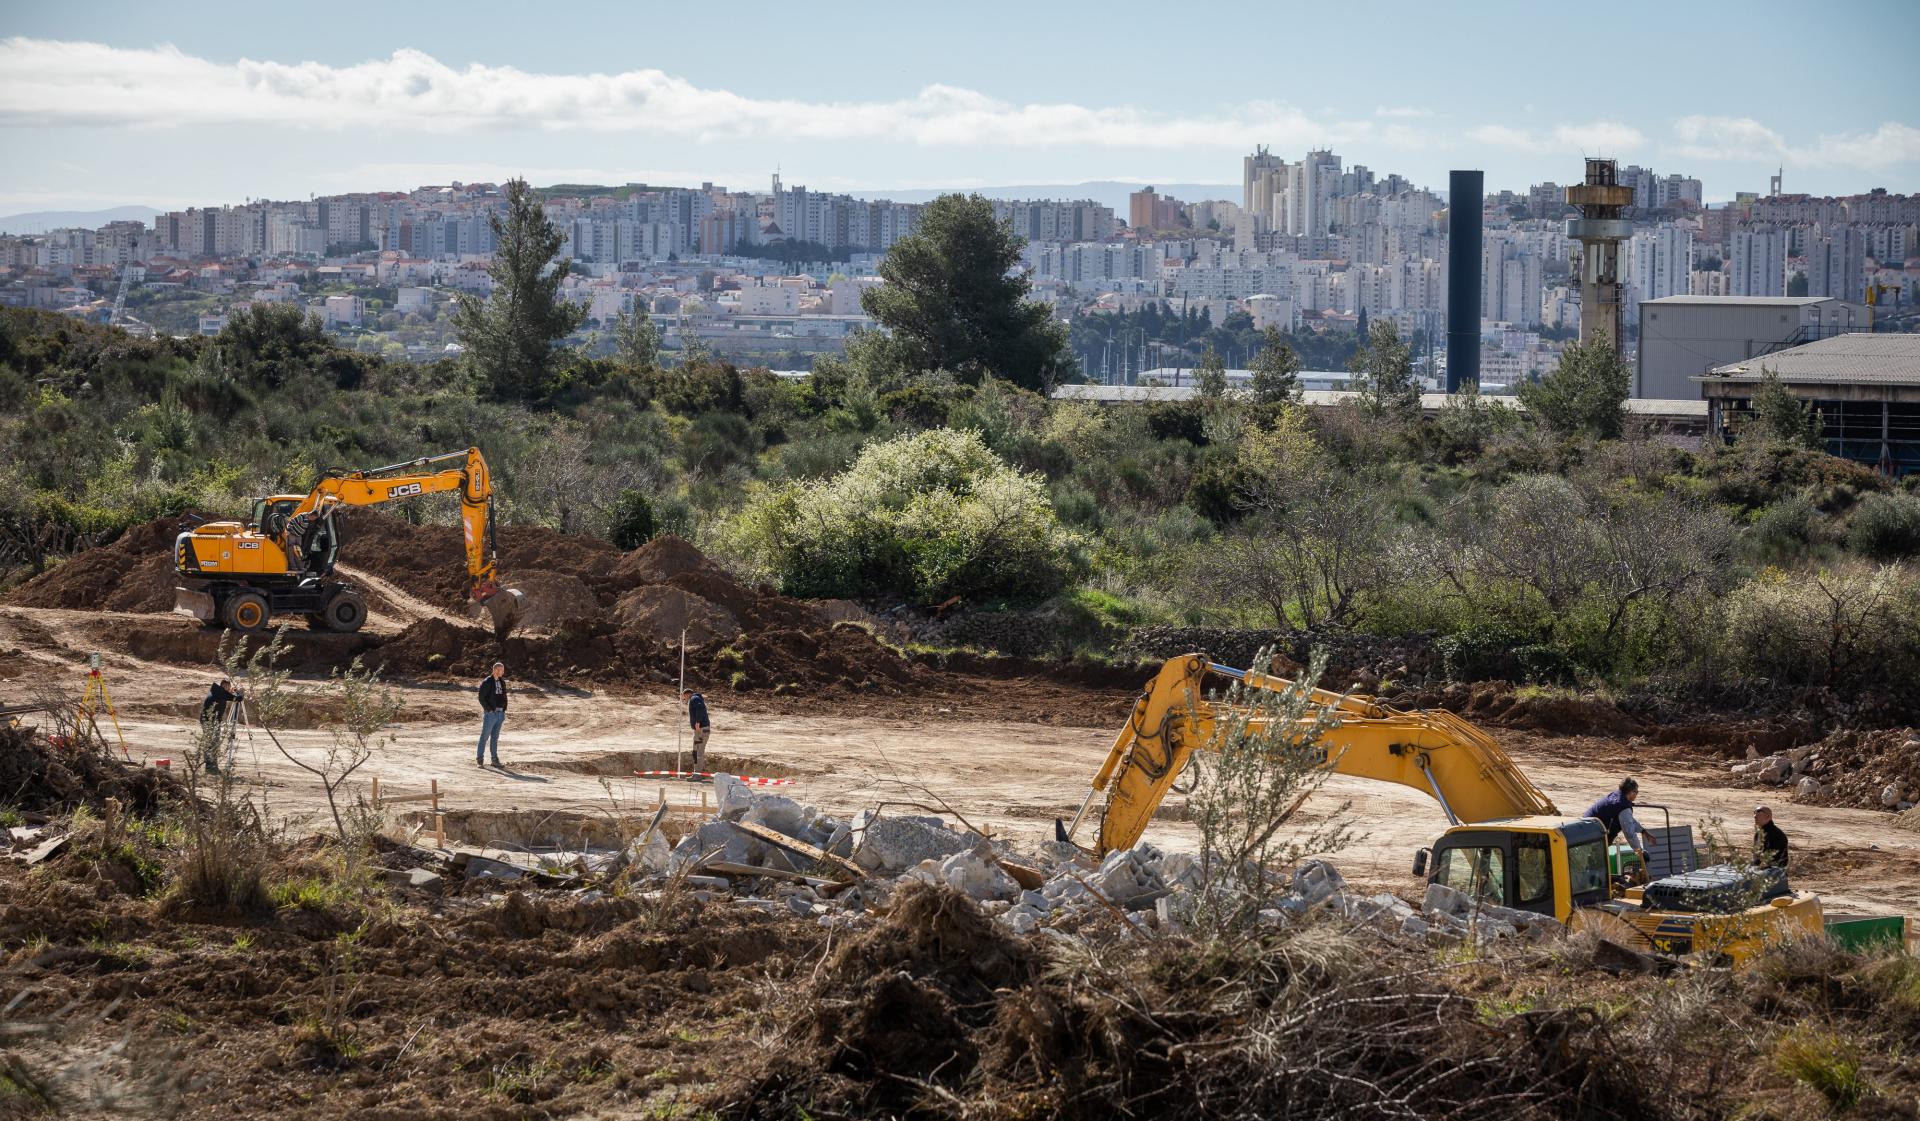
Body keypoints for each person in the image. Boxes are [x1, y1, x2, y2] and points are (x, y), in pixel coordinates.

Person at [1584, 777, 1659, 863]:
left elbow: (1628, 820)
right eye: (1636, 792)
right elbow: (1629, 832)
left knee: (1595, 861)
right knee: (1596, 862)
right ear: (1631, 792)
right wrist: (1639, 851)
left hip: (1588, 828)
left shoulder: (1617, 796)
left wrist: (1644, 832)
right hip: (1594, 835)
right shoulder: (1622, 806)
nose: (1637, 794)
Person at [199, 677, 243, 773]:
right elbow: (238, 698)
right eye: (227, 686)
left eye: (229, 686)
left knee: (212, 743)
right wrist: (239, 692)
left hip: (210, 721)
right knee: (212, 743)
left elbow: (227, 695)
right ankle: (210, 768)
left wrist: (230, 692)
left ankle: (211, 767)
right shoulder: (221, 693)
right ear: (223, 685)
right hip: (210, 722)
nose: (228, 688)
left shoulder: (217, 691)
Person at [476, 662, 507, 768]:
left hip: (500, 713)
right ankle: (480, 760)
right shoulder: (487, 682)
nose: (502, 672)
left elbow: (503, 696)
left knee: (494, 738)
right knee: (484, 737)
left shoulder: (502, 682)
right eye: (501, 670)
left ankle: (494, 760)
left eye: (503, 670)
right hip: (491, 714)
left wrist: (503, 710)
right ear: (495, 670)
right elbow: (481, 698)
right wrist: (489, 710)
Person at [1753, 805, 1790, 869]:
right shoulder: (1759, 833)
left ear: (1768, 817)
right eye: (1754, 814)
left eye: (1759, 814)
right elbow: (1756, 857)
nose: (1755, 816)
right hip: (1763, 869)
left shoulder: (1775, 834)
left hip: (1775, 870)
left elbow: (1771, 858)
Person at [683, 688, 710, 771]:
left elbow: (700, 708)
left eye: (685, 697)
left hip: (701, 729)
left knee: (698, 752)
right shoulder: (695, 698)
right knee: (696, 751)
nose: (685, 699)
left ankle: (698, 773)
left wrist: (698, 722)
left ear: (688, 694)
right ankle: (696, 772)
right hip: (700, 730)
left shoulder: (694, 698)